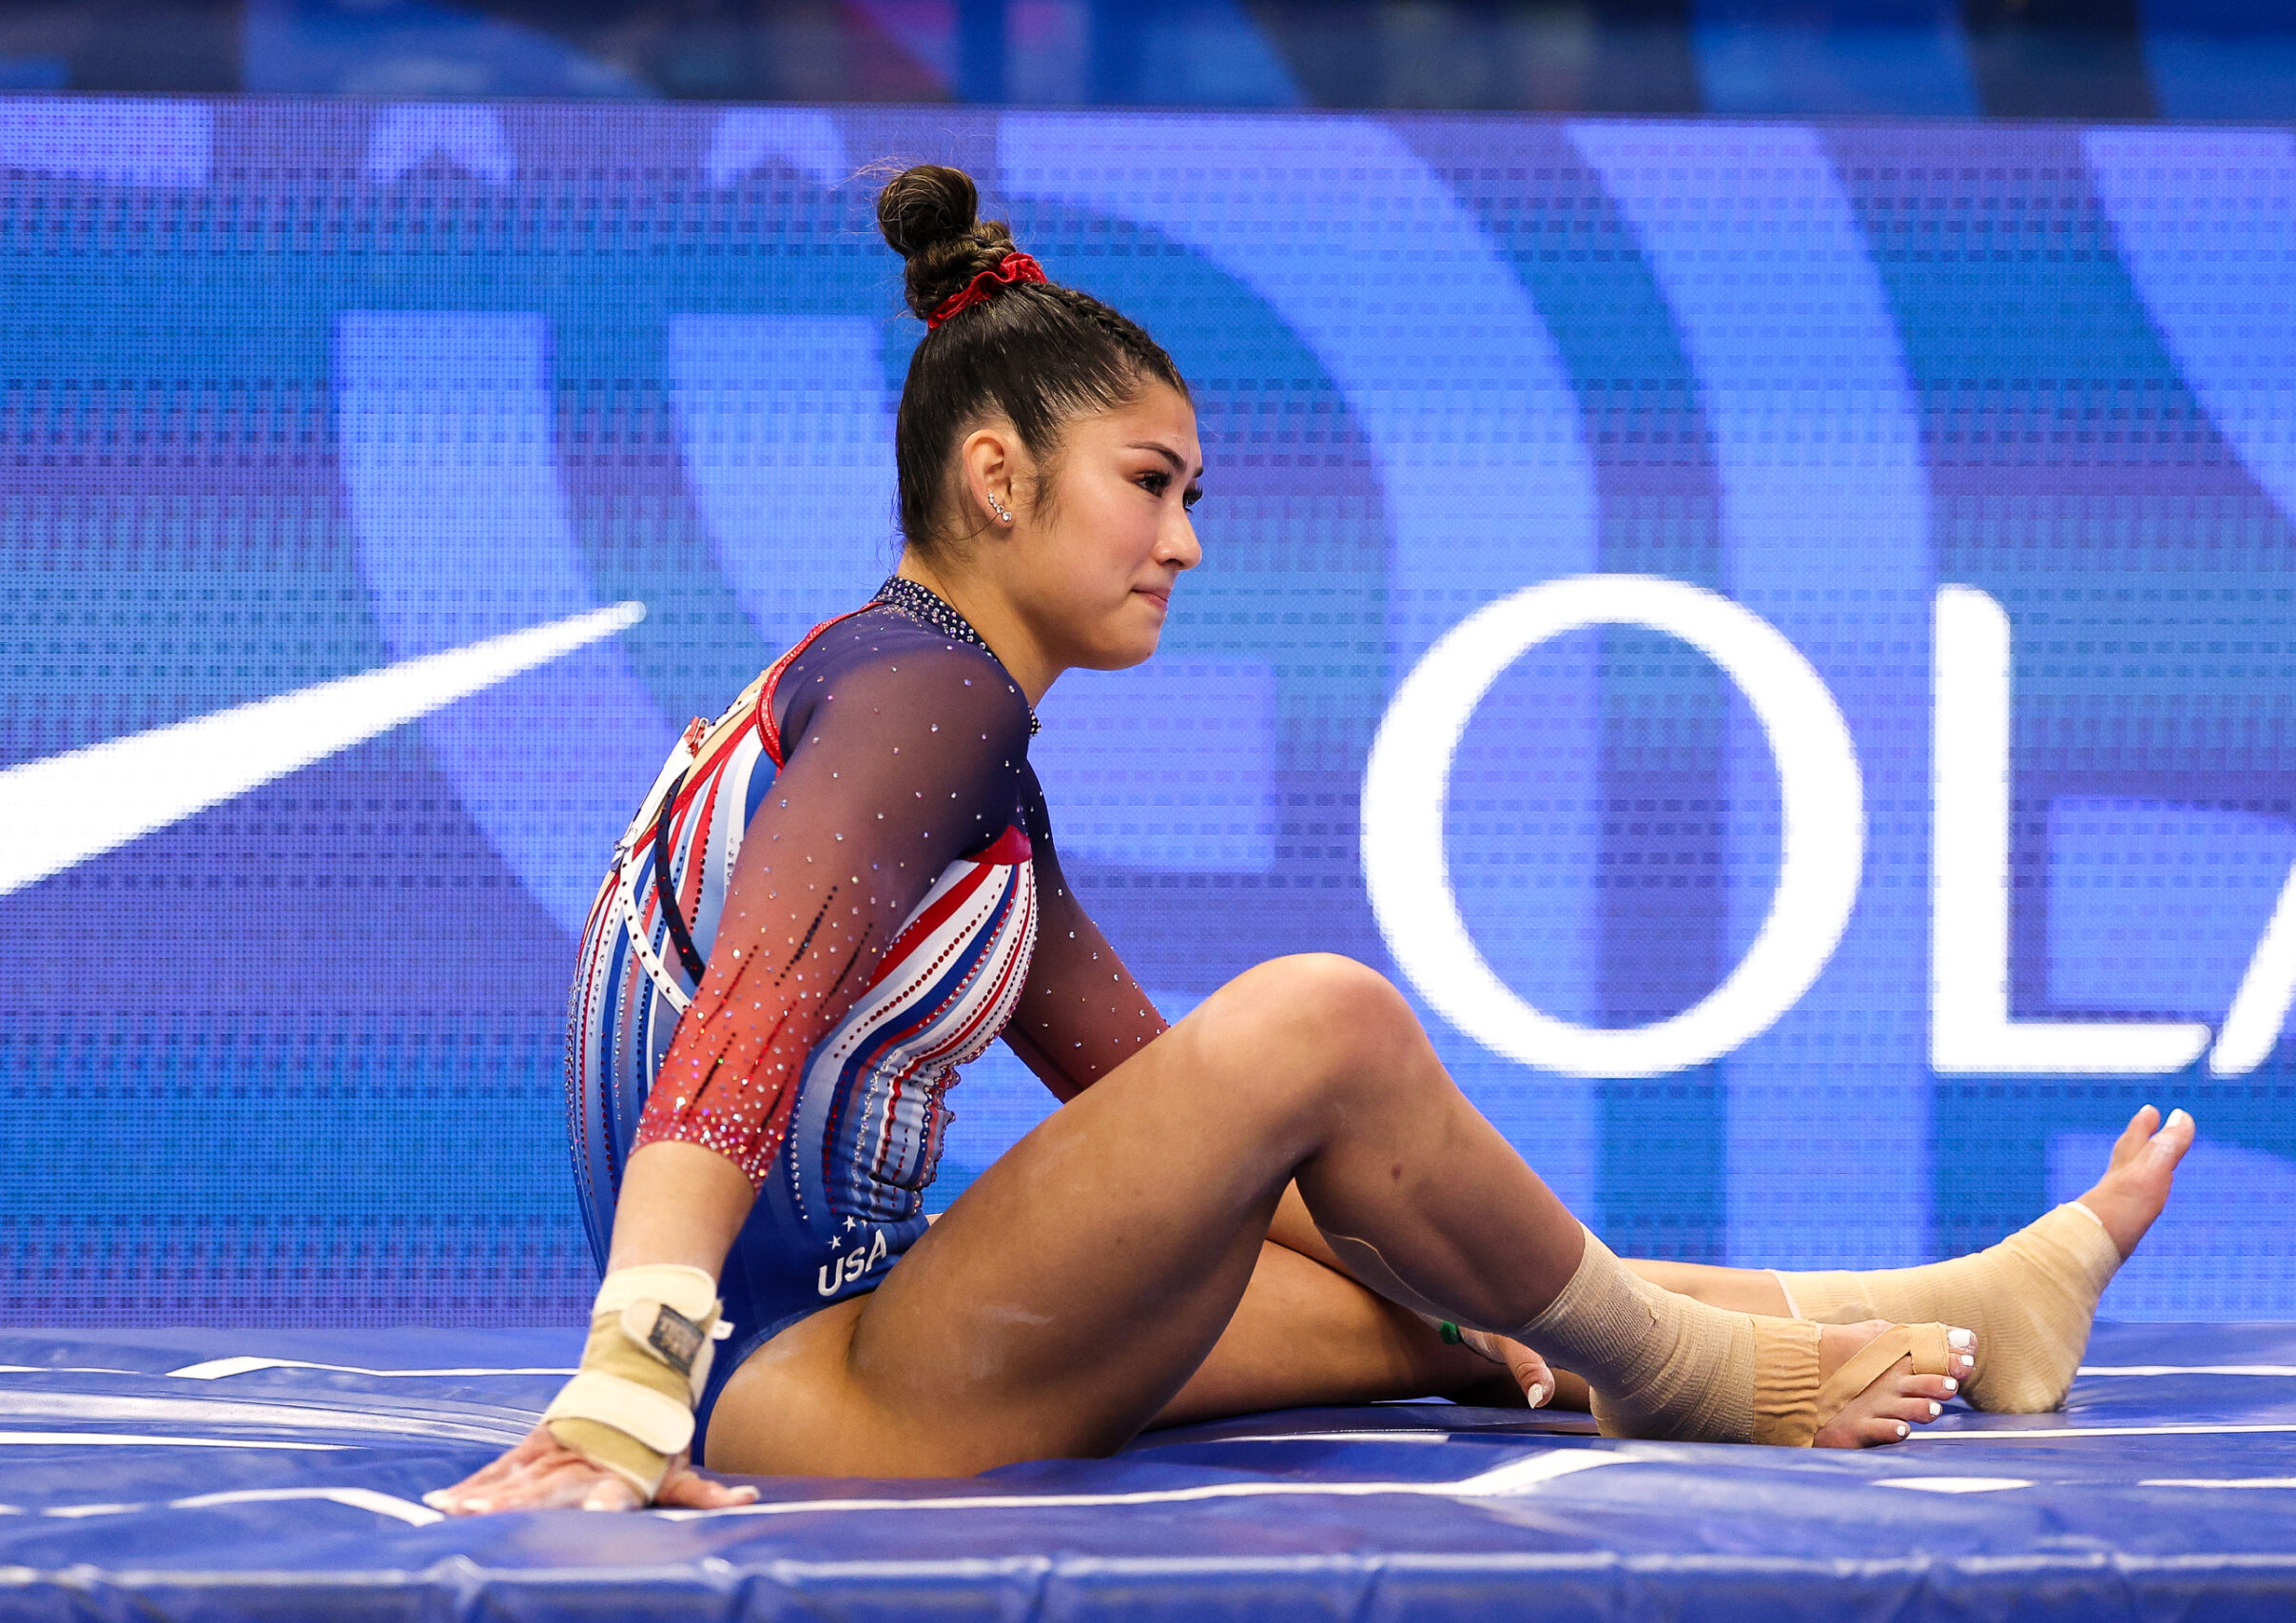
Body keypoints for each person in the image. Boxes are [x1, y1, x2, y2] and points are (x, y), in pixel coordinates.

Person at [430, 165, 2195, 1515]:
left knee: (1419, 1315)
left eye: (1192, 495)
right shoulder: (920, 702)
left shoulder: (957, 755)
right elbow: (745, 1019)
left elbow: (1180, 1117)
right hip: (798, 1384)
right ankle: (1684, 1371)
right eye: (1150, 481)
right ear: (995, 479)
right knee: (1323, 1020)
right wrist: (626, 1384)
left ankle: (1959, 1309)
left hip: (871, 1330)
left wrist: (1462, 1290)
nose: (1184, 540)